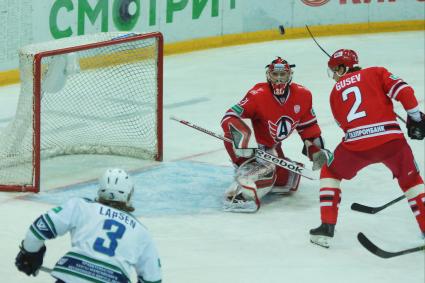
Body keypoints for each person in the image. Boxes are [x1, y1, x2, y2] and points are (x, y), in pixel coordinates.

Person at [310, 49, 425, 248]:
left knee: (330, 170)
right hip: (391, 142)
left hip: (356, 145)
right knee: (412, 180)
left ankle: (327, 225)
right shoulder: (375, 72)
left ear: (342, 67)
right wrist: (415, 118)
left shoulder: (335, 92)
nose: (333, 77)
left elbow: (343, 124)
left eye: (334, 71)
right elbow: (404, 91)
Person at [221, 57, 331, 212]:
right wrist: (244, 137)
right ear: (268, 75)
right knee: (267, 173)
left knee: (288, 180)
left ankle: (252, 173)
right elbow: (230, 117)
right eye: (275, 74)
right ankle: (238, 195)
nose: (279, 78)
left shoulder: (303, 95)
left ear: (290, 75)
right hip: (247, 145)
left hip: (271, 147)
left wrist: (315, 150)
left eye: (283, 74)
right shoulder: (257, 94)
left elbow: (308, 127)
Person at [15, 168, 162, 283]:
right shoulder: (142, 232)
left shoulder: (81, 206)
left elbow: (36, 231)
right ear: (129, 195)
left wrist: (30, 255)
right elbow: (152, 279)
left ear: (100, 190)